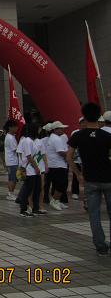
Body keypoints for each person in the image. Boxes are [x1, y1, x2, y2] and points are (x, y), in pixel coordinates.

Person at [67, 102, 111, 256]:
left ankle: (101, 246)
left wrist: (78, 174)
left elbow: (69, 157)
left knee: (94, 214)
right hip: (108, 179)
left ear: (84, 117)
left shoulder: (78, 136)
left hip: (90, 180)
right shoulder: (107, 136)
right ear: (99, 117)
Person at [16, 124, 43, 217]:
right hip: (29, 170)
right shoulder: (27, 141)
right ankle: (23, 209)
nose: (40, 130)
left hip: (33, 169)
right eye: (38, 128)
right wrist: (36, 167)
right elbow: (29, 156)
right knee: (27, 190)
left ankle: (35, 208)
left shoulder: (32, 141)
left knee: (37, 189)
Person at [45, 121, 69, 211]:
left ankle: (57, 200)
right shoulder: (56, 139)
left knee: (59, 184)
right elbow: (61, 152)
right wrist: (69, 155)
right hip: (58, 165)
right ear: (55, 130)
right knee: (61, 184)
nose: (63, 130)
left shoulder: (53, 137)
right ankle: (54, 200)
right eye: (61, 128)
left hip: (55, 164)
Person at [69, 117, 86, 200]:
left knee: (87, 176)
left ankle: (87, 192)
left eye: (85, 122)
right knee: (76, 175)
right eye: (82, 123)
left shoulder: (89, 132)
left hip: (86, 159)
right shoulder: (75, 133)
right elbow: (72, 145)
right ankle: (75, 192)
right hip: (76, 158)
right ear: (80, 124)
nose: (84, 124)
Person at [3, 120, 19, 201]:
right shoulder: (10, 138)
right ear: (10, 127)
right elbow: (15, 150)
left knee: (12, 178)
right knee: (12, 178)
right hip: (12, 161)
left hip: (11, 161)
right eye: (15, 127)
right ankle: (10, 194)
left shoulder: (10, 136)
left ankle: (10, 193)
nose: (17, 128)